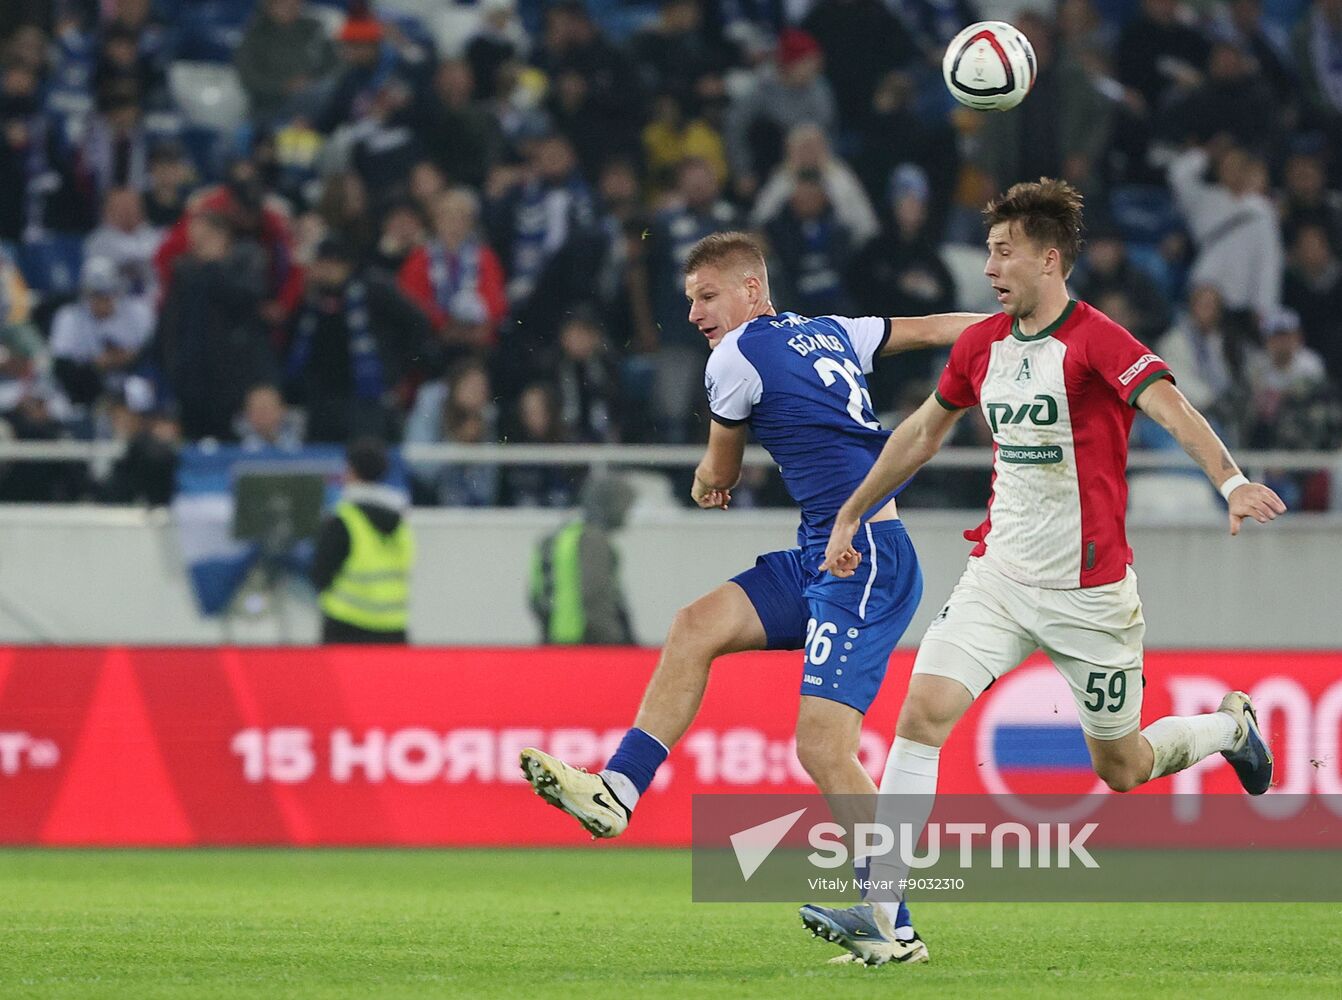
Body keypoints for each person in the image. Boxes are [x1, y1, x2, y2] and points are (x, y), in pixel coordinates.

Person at [799, 179, 1285, 966]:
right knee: (921, 715)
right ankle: (884, 915)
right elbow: (922, 433)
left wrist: (1230, 482)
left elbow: (1172, 409)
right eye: (988, 250)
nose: (989, 267)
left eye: (1003, 252)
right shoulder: (981, 344)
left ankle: (1232, 729)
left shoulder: (1097, 341)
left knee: (1121, 766)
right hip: (999, 577)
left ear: (1048, 259)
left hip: (1092, 597)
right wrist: (854, 510)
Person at [521, 231, 986, 961]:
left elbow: (721, 464)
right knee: (695, 625)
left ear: (749, 289)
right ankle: (618, 790)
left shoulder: (733, 358)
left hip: (861, 560)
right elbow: (933, 329)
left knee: (823, 746)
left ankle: (893, 923)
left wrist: (710, 482)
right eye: (689, 301)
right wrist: (1020, 327)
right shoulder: (832, 330)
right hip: (822, 554)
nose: (695, 314)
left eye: (706, 296)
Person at [310, 436, 415, 644]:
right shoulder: (400, 520)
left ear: (351, 471)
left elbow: (320, 573)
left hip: (346, 626)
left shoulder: (345, 520)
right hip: (393, 626)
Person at [529, 475, 636, 645]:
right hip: (591, 644)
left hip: (553, 641)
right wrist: (617, 642)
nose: (627, 514)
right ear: (609, 504)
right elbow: (596, 596)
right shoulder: (593, 540)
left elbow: (536, 595)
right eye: (625, 506)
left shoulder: (557, 537)